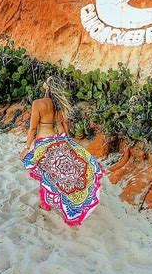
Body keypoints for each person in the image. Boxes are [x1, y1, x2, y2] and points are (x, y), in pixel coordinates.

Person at [19, 75, 104, 226]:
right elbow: (64, 126)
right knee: (59, 175)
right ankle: (60, 202)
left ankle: (46, 204)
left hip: (43, 143)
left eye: (46, 82)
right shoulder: (59, 104)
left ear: (48, 86)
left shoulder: (38, 104)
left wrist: (27, 148)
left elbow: (32, 129)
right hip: (59, 140)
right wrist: (68, 142)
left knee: (46, 173)